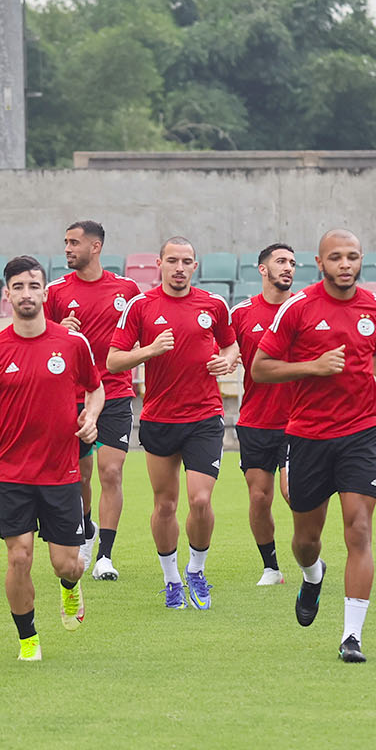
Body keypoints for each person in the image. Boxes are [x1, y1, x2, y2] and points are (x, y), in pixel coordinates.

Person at [252, 229, 376, 663]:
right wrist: (312, 366)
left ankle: (352, 636)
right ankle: (313, 575)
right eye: (336, 257)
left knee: (359, 528)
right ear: (319, 263)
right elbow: (260, 368)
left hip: (362, 433)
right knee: (305, 541)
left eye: (352, 256)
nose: (345, 264)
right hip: (308, 436)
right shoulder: (298, 308)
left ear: (361, 259)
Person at [0, 257, 103, 660]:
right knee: (19, 556)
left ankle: (70, 587)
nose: (27, 293)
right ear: (7, 295)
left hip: (62, 473)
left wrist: (91, 418)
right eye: (19, 287)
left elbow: (96, 388)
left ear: (45, 292)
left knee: (67, 565)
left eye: (34, 286)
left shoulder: (72, 344)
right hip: (12, 473)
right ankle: (28, 640)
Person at [108, 237, 236, 609]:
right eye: (173, 261)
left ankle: (196, 568)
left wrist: (228, 360)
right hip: (160, 418)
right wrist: (150, 350)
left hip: (204, 416)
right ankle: (171, 580)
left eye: (186, 261)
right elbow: (113, 361)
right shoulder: (141, 306)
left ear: (195, 266)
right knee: (165, 505)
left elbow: (231, 345)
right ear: (159, 263)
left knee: (200, 500)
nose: (179, 268)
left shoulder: (213, 304)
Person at [46, 220, 144, 580]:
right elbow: (36, 340)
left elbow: (142, 335)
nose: (68, 248)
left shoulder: (127, 289)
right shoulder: (55, 292)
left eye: (74, 242)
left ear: (95, 246)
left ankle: (105, 555)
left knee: (111, 472)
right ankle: (86, 527)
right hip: (71, 397)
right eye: (66, 242)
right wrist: (58, 331)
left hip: (115, 393)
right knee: (81, 477)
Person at [227, 243, 297, 586]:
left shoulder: (304, 309)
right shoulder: (242, 313)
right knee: (259, 498)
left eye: (292, 263)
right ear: (263, 269)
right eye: (281, 261)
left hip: (297, 421)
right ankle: (271, 568)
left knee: (293, 492)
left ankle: (309, 558)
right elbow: (226, 348)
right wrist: (226, 360)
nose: (288, 268)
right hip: (255, 420)